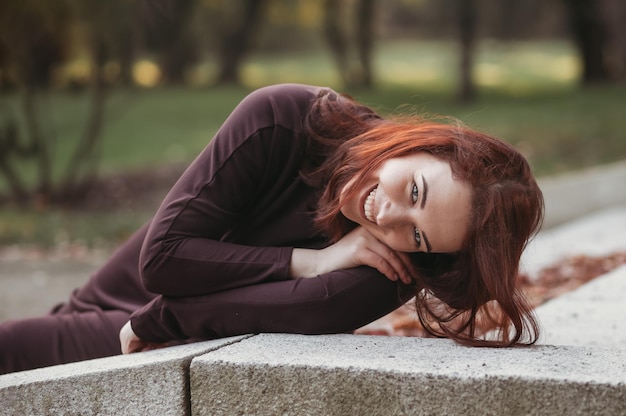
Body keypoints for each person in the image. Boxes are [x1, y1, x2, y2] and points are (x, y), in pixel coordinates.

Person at [0, 83, 543, 374]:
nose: (389, 218)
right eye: (416, 190)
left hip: (152, 328)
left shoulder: (397, 259)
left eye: (419, 234)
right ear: (424, 142)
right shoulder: (283, 116)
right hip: (118, 297)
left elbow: (309, 308)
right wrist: (308, 262)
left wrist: (164, 317)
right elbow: (162, 258)